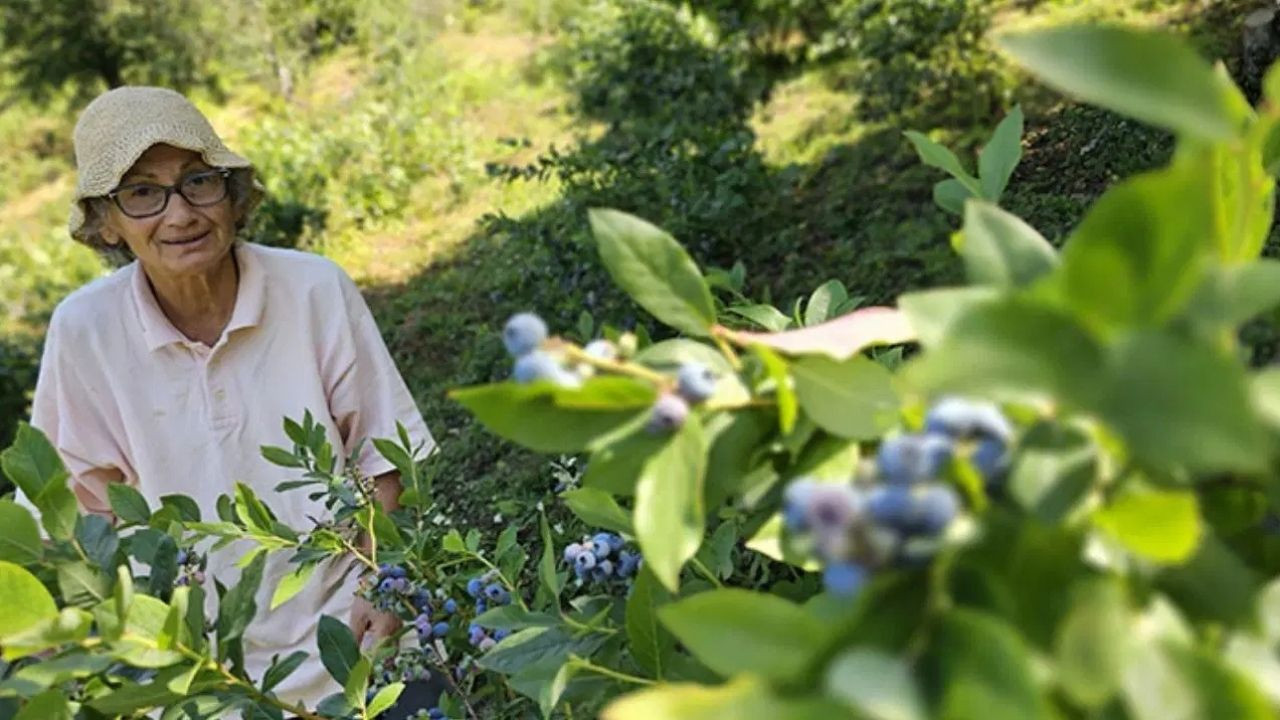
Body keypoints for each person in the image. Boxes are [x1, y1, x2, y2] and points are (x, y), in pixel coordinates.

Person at [21, 86, 433, 711]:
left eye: (197, 181)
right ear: (106, 220)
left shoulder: (312, 290)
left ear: (231, 195)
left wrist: (382, 586)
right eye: (142, 193)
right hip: (201, 673)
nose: (180, 214)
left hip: (358, 641)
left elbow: (383, 459)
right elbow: (78, 512)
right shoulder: (85, 332)